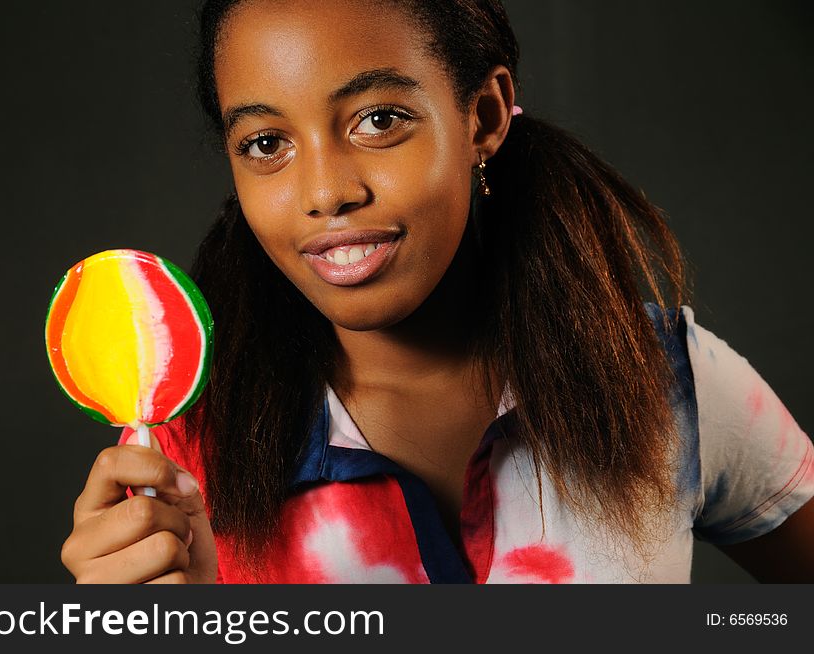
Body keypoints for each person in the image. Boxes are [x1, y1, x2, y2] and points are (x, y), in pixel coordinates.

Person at [60, 0, 814, 584]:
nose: (326, 191)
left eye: (379, 121)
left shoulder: (664, 379)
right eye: (267, 144)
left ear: (483, 116)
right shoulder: (182, 466)